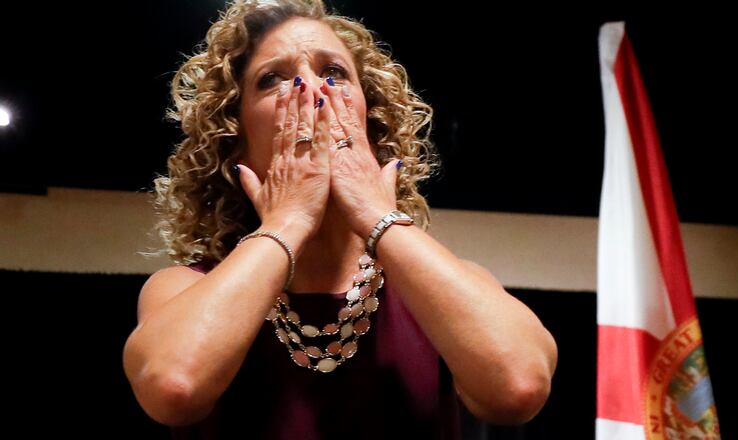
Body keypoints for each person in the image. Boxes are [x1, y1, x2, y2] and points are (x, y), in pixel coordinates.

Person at [123, 0, 558, 438]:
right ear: (234, 142)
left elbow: (518, 385)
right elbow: (174, 386)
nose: (311, 89)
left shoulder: (447, 285)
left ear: (371, 124)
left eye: (334, 72)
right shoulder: (184, 288)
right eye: (272, 78)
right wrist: (287, 220)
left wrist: (377, 215)